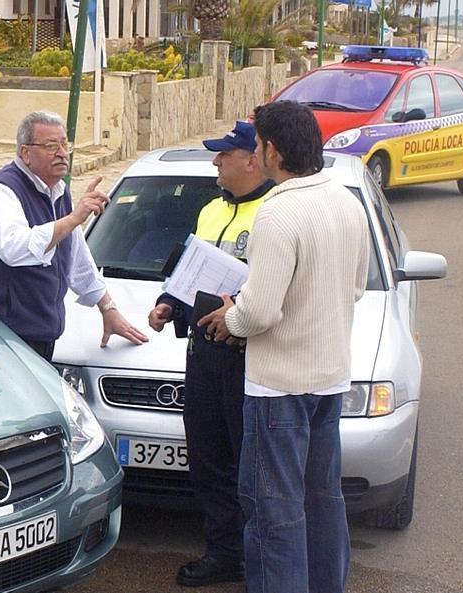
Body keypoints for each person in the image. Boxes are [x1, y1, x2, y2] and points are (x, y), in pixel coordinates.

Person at [200, 101, 370, 593]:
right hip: (330, 379)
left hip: (278, 390)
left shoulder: (278, 211)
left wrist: (228, 316)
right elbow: (355, 286)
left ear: (272, 150)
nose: (256, 152)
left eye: (257, 144)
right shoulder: (346, 202)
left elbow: (258, 312)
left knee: (274, 513)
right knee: (322, 503)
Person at [147, 121, 274, 587]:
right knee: (208, 461)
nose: (216, 162)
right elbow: (190, 270)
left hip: (247, 357)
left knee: (249, 466)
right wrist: (168, 304)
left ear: (252, 159)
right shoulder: (210, 210)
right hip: (203, 356)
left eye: (224, 155)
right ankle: (223, 554)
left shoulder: (274, 212)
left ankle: (258, 558)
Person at [0, 111, 148, 361]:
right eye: (50, 146)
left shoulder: (58, 190)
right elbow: (14, 249)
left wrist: (108, 308)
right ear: (26, 153)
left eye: (64, 144)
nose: (61, 153)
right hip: (3, 340)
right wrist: (73, 218)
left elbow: (76, 256)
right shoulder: (2, 191)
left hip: (41, 334)